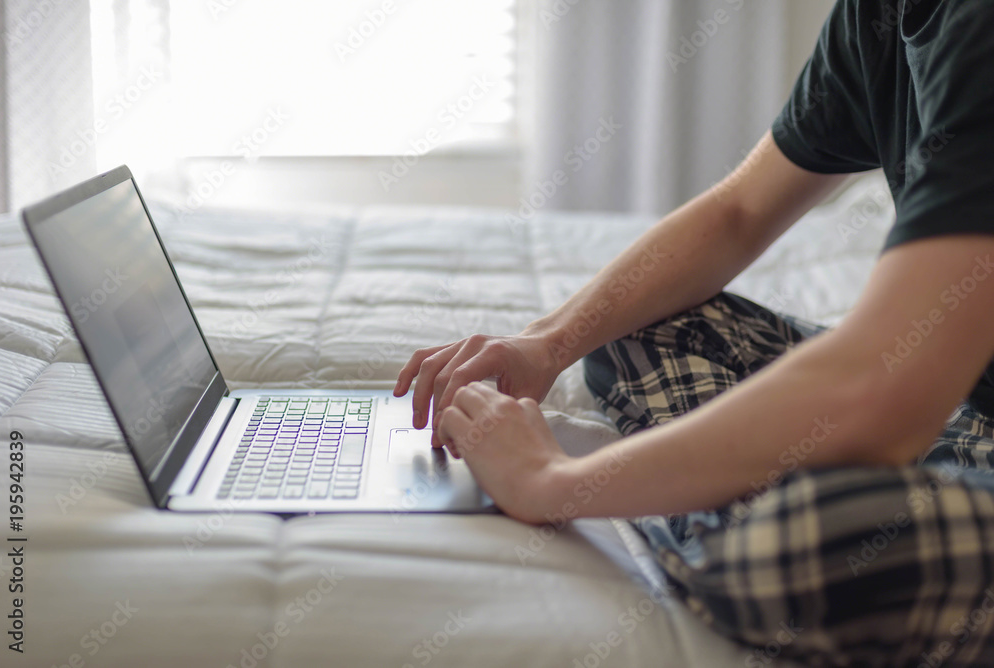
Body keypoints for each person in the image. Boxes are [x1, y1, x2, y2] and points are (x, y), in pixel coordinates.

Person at [395, 1, 994, 664]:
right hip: (965, 405)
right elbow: (739, 210)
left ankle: (746, 527)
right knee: (633, 334)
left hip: (926, 407)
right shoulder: (881, 15)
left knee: (807, 540)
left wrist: (552, 482)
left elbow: (879, 398)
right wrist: (547, 342)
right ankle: (739, 524)